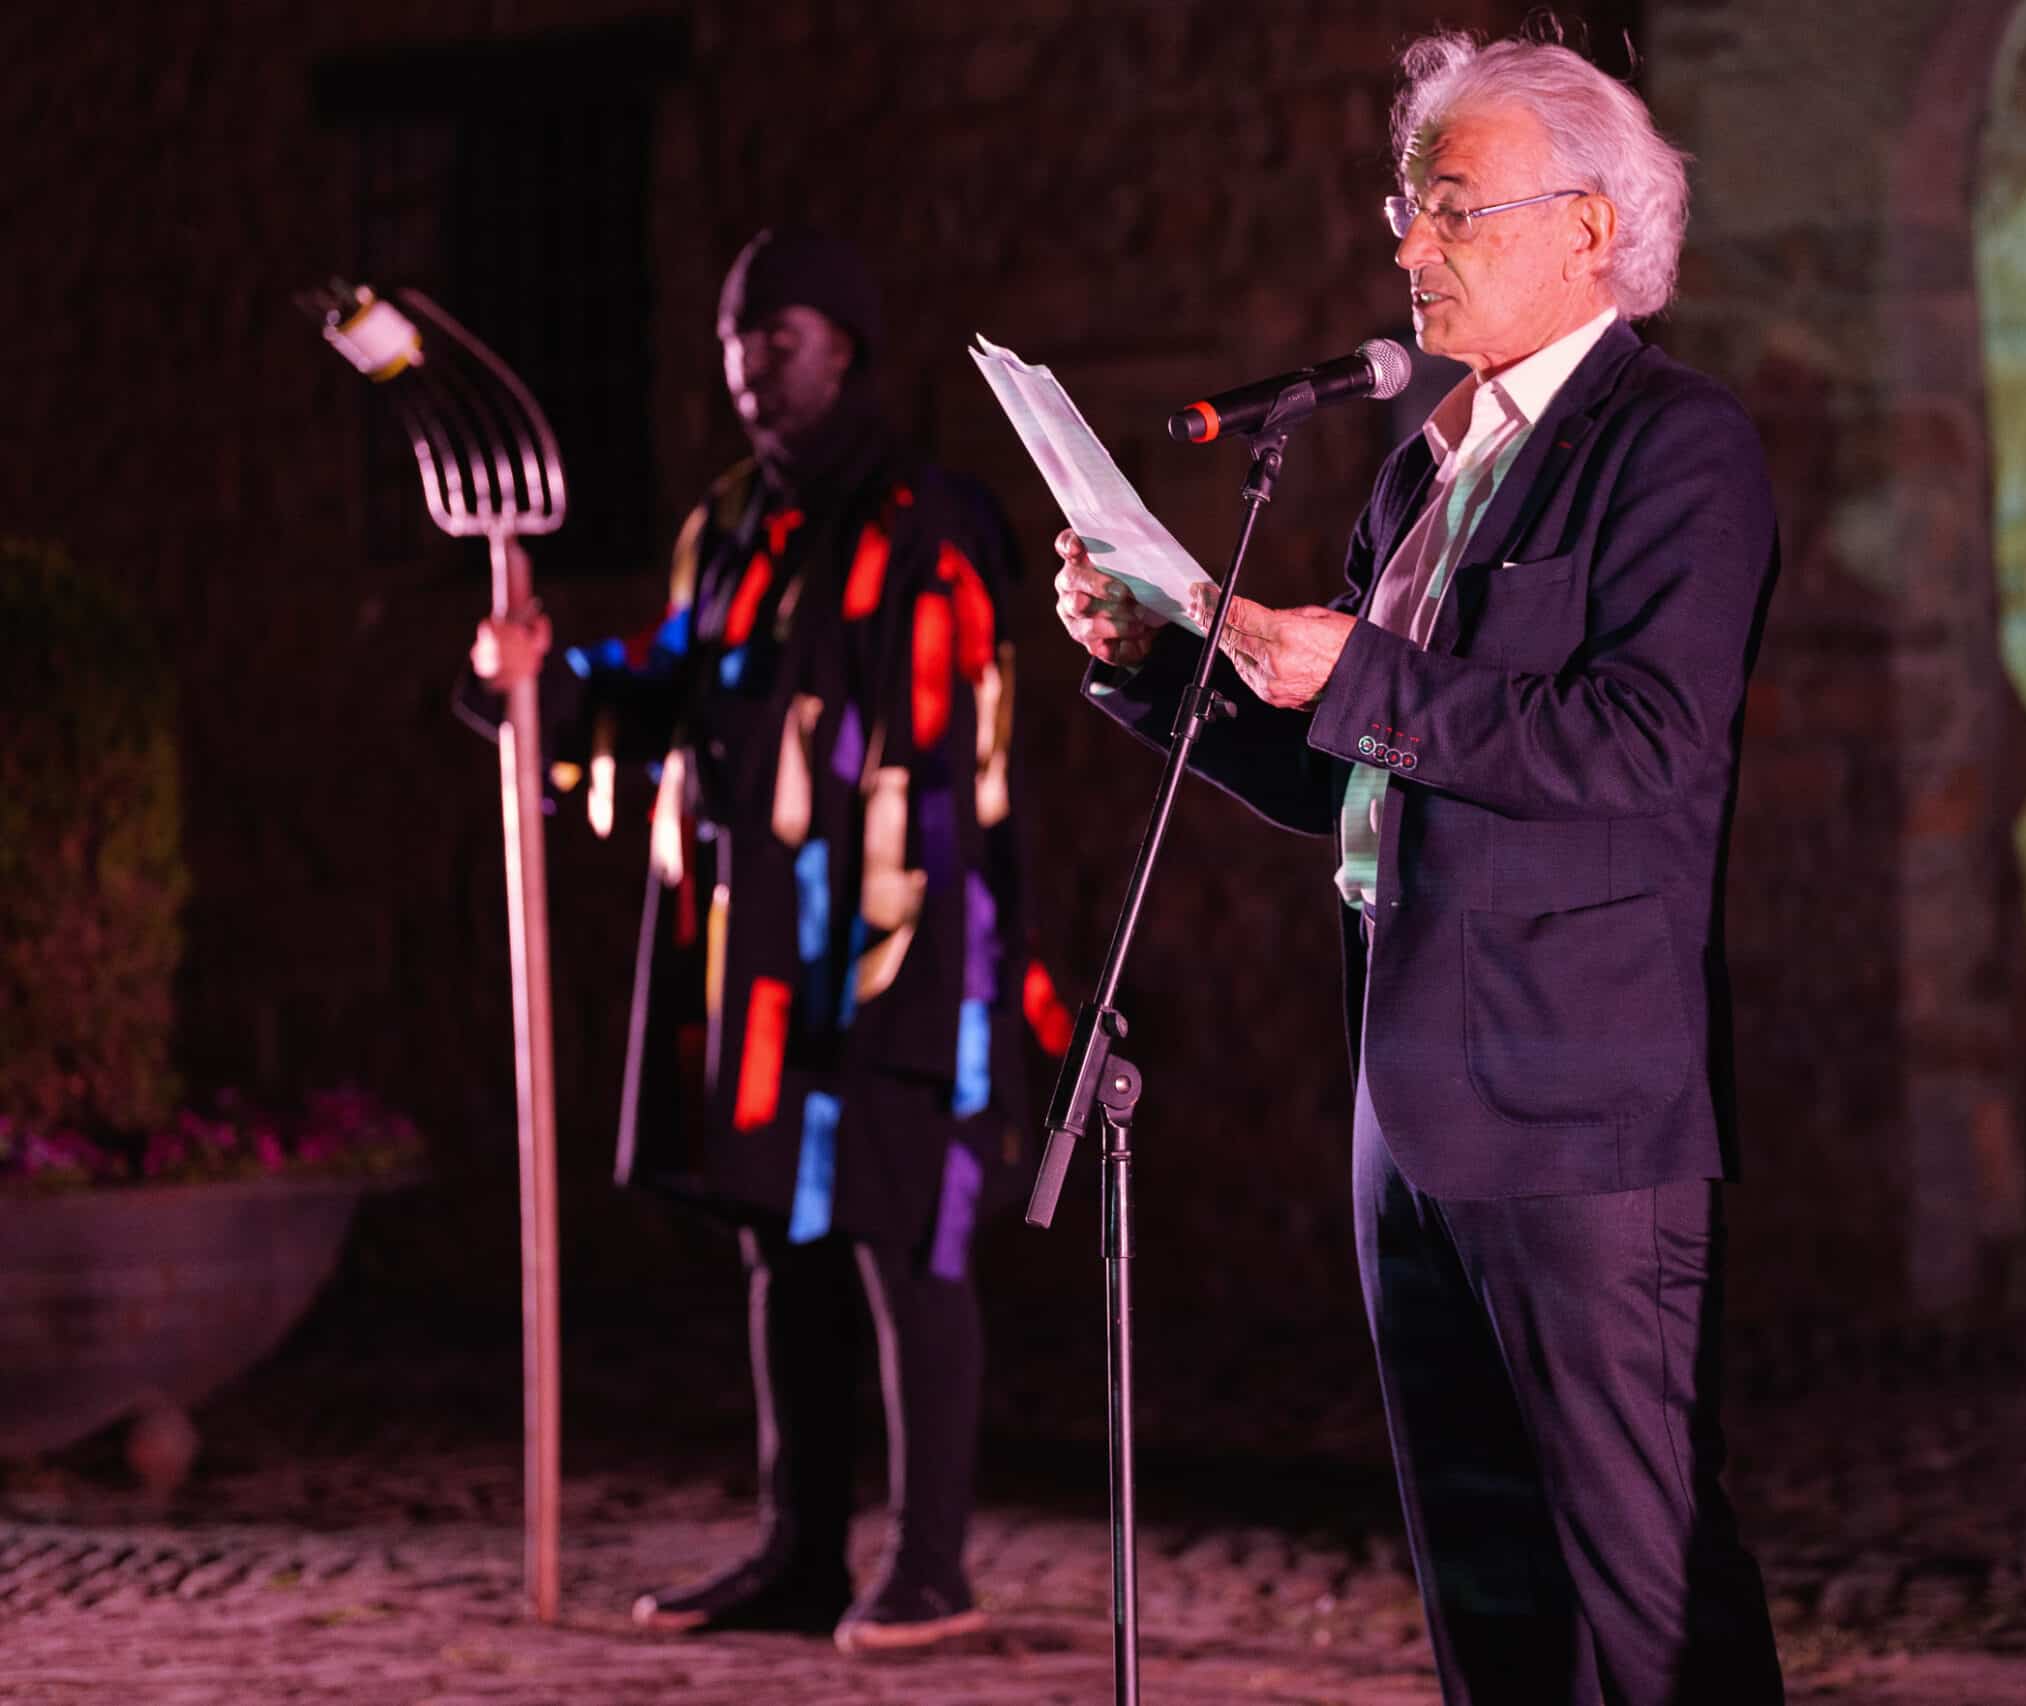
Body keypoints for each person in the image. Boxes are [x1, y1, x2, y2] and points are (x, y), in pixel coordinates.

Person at [1054, 31, 1783, 1705]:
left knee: (1641, 1570)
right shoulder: (1426, 461)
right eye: (1408, 205)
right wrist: (1152, 671)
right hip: (1412, 1088)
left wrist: (1355, 674)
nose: (1408, 248)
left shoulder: (1675, 448)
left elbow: (1647, 743)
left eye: (1451, 209)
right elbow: (1347, 774)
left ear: (1589, 230)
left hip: (1584, 1099)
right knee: (1481, 1578)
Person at [465, 228, 1062, 1651]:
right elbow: (682, 682)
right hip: (765, 961)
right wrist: (542, 685)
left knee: (909, 1239)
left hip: (907, 946)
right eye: (736, 342)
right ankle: (800, 1550)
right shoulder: (728, 522)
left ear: (843, 346)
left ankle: (932, 1565)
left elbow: (932, 743)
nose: (748, 369)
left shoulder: (933, 516)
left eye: (776, 340)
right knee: (782, 1243)